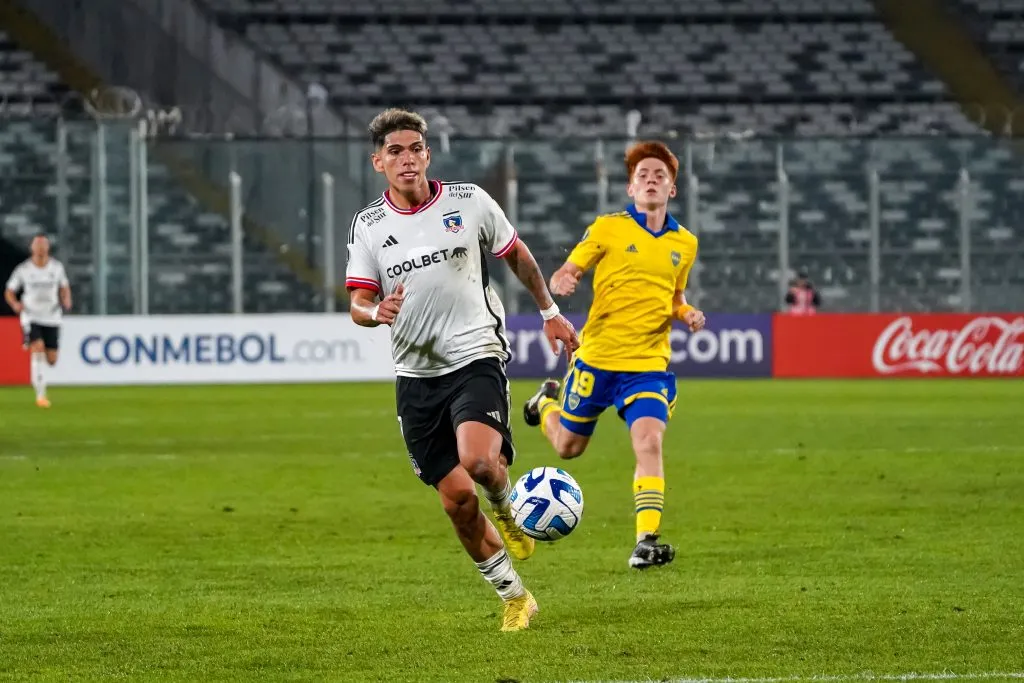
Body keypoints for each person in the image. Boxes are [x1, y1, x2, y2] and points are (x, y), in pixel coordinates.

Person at [345, 108, 579, 632]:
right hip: (415, 375)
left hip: (475, 355)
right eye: (395, 152)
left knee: (478, 461)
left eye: (415, 149)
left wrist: (549, 312)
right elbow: (357, 302)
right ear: (379, 162)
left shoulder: (468, 201)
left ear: (428, 154)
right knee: (456, 503)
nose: (407, 159)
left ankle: (508, 509)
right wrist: (375, 312)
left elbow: (517, 254)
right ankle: (516, 597)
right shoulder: (369, 225)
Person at [522, 141, 705, 570]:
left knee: (649, 441)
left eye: (660, 175)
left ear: (672, 189)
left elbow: (675, 296)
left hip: (647, 365)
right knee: (568, 447)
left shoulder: (685, 243)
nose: (651, 180)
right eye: (643, 175)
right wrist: (563, 279)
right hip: (597, 359)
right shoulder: (607, 228)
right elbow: (568, 269)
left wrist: (687, 313)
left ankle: (645, 541)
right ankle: (544, 403)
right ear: (630, 188)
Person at [4, 234, 72, 408]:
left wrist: (66, 299)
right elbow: (9, 291)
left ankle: (31, 342)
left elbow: (64, 287)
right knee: (38, 349)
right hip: (31, 316)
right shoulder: (24, 269)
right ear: (32, 248)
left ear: (47, 248)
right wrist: (15, 304)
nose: (40, 248)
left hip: (51, 316)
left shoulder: (56, 268)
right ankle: (41, 395)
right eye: (37, 245)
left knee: (52, 359)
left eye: (43, 245)